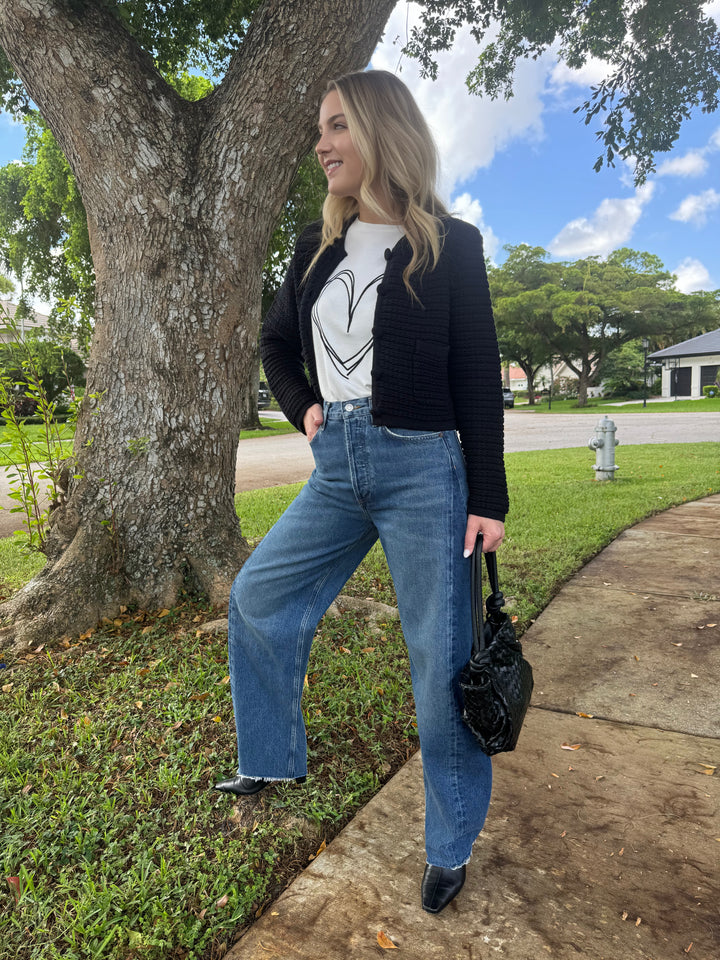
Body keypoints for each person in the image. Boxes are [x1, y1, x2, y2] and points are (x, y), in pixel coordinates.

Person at [214, 69, 509, 915]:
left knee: (439, 662)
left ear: (381, 131)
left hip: (427, 470)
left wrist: (488, 497)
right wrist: (304, 407)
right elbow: (277, 343)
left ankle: (449, 843)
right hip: (338, 464)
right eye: (320, 127)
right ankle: (270, 754)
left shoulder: (451, 243)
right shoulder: (315, 244)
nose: (322, 143)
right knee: (258, 594)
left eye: (337, 125)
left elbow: (478, 375)